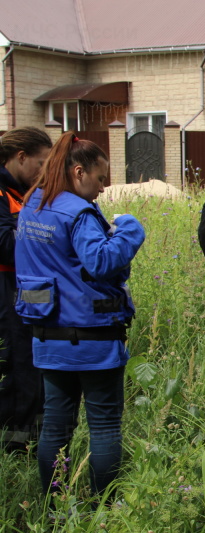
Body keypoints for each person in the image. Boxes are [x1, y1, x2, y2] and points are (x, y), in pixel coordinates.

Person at [14, 132, 145, 499]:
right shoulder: (78, 212)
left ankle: (54, 509)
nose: (103, 187)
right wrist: (131, 229)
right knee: (103, 426)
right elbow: (101, 261)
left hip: (47, 336)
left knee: (55, 427)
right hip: (93, 339)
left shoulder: (32, 206)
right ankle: (105, 509)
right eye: (100, 178)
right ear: (78, 172)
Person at [0, 127, 52, 452]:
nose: (43, 171)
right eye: (40, 163)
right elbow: (5, 244)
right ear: (21, 158)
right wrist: (42, 229)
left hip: (24, 292)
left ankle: (34, 441)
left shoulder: (20, 193)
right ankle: (15, 451)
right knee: (17, 369)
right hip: (5, 293)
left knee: (34, 365)